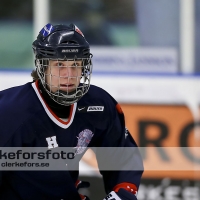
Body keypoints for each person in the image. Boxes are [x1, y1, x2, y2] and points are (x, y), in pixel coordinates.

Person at [0, 23, 143, 200]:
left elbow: (122, 158)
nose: (69, 74)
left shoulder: (98, 105)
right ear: (43, 68)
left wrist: (121, 194)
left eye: (75, 64)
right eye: (59, 64)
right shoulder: (10, 113)